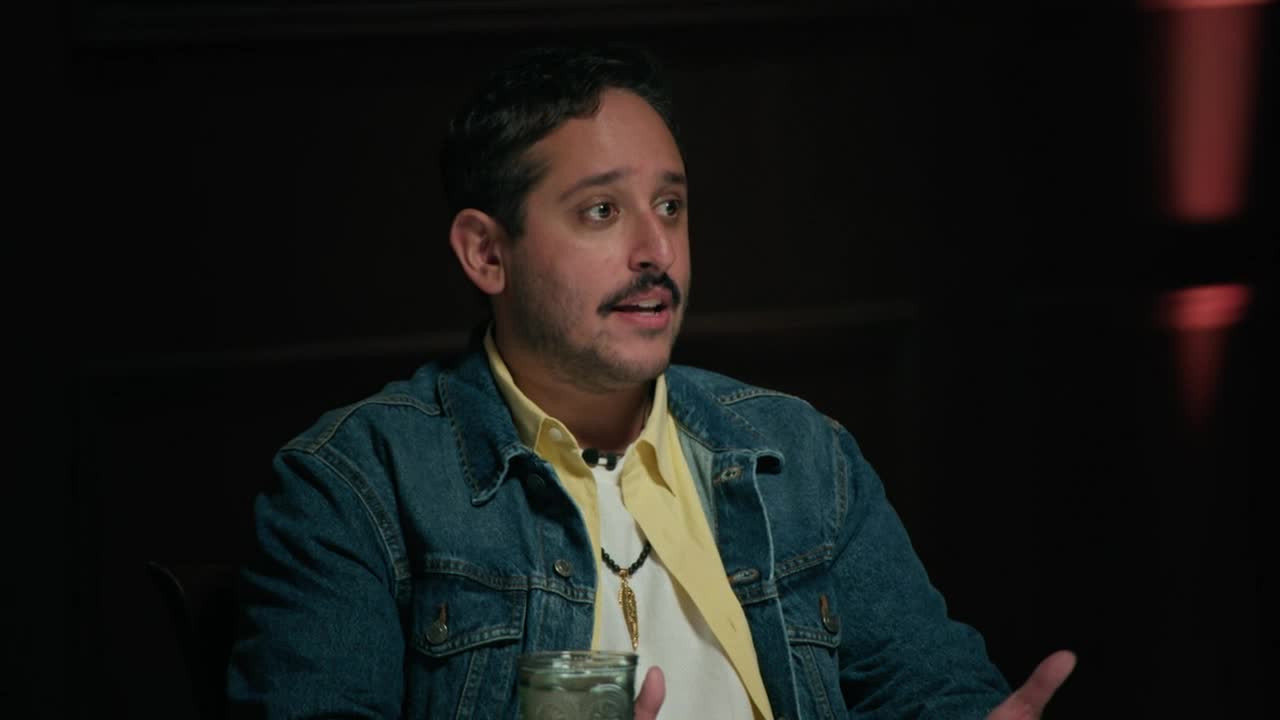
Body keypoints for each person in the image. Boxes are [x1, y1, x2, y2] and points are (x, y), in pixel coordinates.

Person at [226, 45, 1075, 719]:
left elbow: (932, 690)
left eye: (670, 206)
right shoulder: (358, 483)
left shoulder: (800, 456)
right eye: (601, 211)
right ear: (487, 253)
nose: (657, 250)